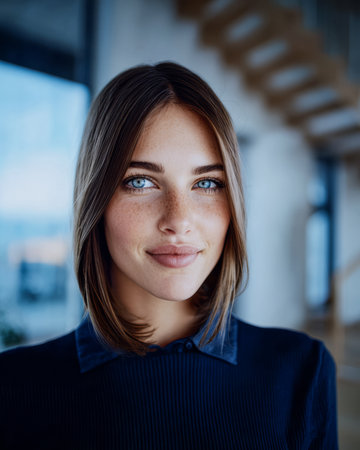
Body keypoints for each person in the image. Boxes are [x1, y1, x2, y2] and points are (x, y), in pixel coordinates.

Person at [0, 62, 338, 449]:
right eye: (140, 181)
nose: (179, 220)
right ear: (96, 200)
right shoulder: (12, 390)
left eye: (207, 183)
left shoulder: (302, 372)